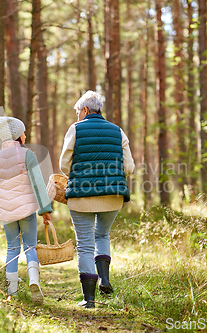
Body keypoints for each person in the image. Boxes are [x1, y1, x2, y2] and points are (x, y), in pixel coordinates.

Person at [60, 91, 135, 308]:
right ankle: (105, 279)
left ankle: (89, 299)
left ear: (84, 110)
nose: (77, 116)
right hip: (112, 197)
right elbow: (129, 167)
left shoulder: (75, 129)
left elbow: (64, 165)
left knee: (84, 245)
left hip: (81, 196)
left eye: (77, 112)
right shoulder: (118, 131)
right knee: (102, 234)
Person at [0, 116, 52, 305]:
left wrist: (3, 201)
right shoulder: (27, 155)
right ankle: (33, 281)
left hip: (7, 212)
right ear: (17, 136)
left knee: (12, 248)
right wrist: (45, 209)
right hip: (26, 211)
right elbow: (38, 183)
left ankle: (11, 291)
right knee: (30, 246)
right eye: (23, 132)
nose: (25, 134)